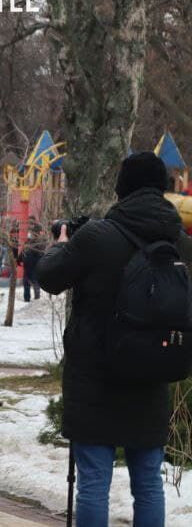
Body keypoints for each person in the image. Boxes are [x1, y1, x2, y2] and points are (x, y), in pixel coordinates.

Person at [38, 152, 192, 527]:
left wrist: (61, 243)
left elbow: (49, 276)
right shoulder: (181, 243)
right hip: (153, 372)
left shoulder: (97, 236)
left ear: (121, 189)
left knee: (93, 483)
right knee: (148, 482)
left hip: (96, 375)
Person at [20, 219, 44, 302]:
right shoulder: (28, 240)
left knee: (34, 281)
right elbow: (23, 250)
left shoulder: (40, 242)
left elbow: (41, 253)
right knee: (26, 281)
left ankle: (37, 298)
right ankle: (27, 298)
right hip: (28, 263)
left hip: (35, 263)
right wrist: (19, 259)